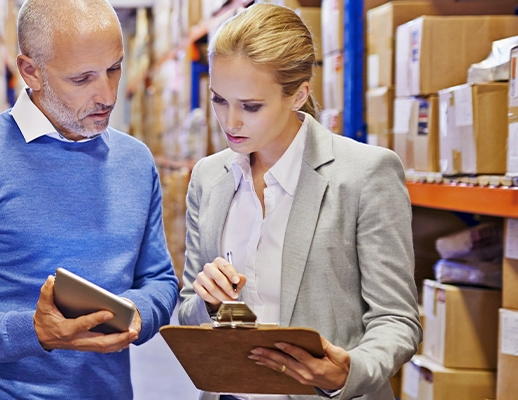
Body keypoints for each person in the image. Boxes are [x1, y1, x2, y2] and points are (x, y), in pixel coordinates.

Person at [0, 0, 180, 398]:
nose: (107, 95)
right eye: (82, 79)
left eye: (114, 69)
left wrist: (137, 315)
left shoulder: (135, 162)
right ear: (31, 71)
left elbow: (159, 280)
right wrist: (32, 331)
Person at [178, 4, 421, 400]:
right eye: (219, 100)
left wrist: (346, 373)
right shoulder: (209, 178)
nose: (230, 121)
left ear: (299, 95)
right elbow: (189, 310)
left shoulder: (364, 174)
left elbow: (396, 320)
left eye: (251, 106)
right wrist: (205, 302)